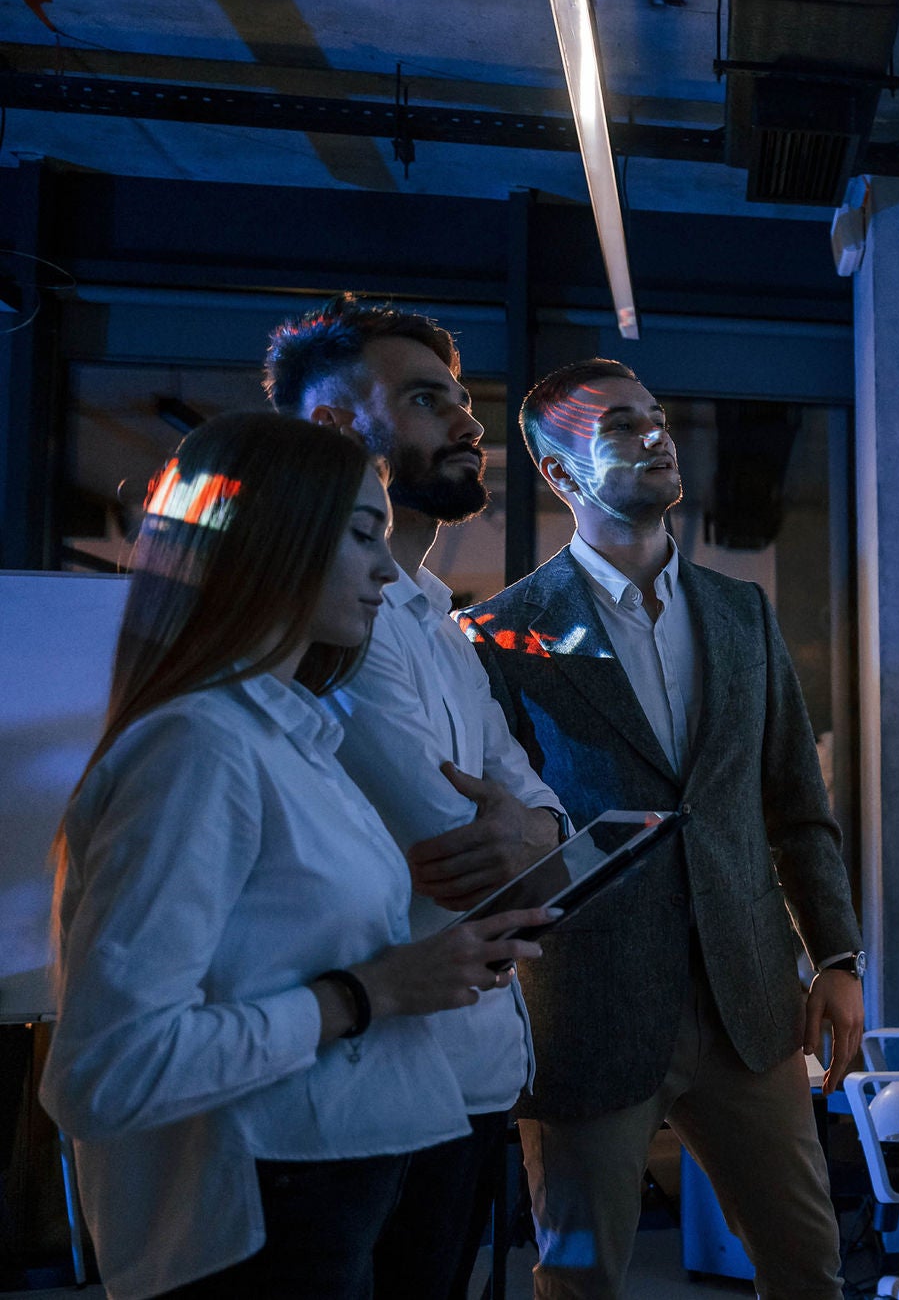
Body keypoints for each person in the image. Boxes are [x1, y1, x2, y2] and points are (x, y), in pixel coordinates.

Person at [40, 412, 554, 1300]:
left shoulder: (285, 735)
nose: (387, 570)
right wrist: (370, 993)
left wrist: (419, 971)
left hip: (325, 1201)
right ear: (274, 537)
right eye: (362, 535)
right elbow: (108, 1071)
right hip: (257, 1230)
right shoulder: (200, 747)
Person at [459, 360, 864, 1300]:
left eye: (656, 418)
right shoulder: (503, 632)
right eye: (619, 428)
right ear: (560, 475)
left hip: (749, 1002)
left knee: (810, 1270)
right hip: (587, 1008)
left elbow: (795, 806)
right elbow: (504, 834)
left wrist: (836, 955)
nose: (655, 436)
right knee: (581, 1280)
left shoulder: (741, 613)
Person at [265, 294, 572, 1300]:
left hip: (474, 1068)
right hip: (353, 1088)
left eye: (462, 399)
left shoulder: (439, 620)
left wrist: (530, 830)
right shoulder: (317, 630)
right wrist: (528, 834)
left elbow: (542, 819)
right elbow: (454, 840)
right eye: (427, 399)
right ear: (329, 428)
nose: (470, 422)